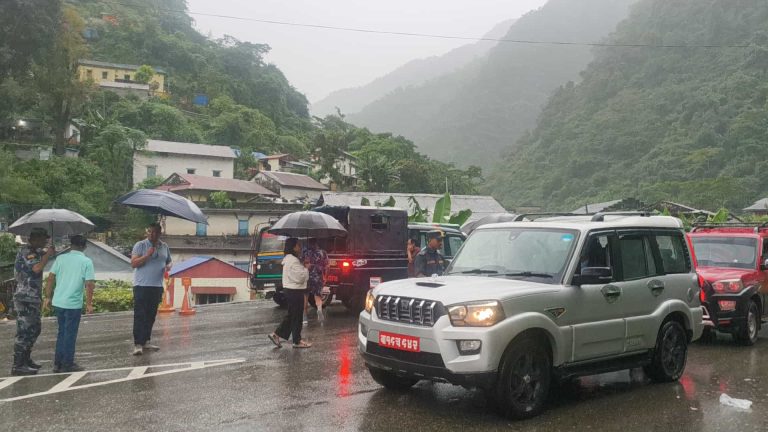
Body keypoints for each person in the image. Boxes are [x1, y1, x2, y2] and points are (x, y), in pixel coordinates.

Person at [43, 235, 95, 373]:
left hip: (58, 302)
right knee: (70, 334)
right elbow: (89, 284)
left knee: (62, 332)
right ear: (84, 247)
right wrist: (89, 304)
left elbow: (50, 278)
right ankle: (67, 363)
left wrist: (47, 297)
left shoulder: (60, 259)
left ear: (71, 245)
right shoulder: (86, 261)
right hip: (73, 304)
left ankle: (58, 363)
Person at [11, 227, 55, 376]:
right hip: (25, 298)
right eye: (43, 239)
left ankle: (26, 359)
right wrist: (47, 255)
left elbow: (45, 257)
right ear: (35, 238)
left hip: (33, 297)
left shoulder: (36, 252)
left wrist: (50, 253)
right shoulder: (27, 252)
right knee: (25, 331)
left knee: (34, 329)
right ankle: (18, 365)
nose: (45, 242)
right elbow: (36, 268)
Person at [130, 222, 172, 356]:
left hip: (157, 286)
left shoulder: (164, 246)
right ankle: (138, 344)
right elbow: (133, 263)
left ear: (160, 233)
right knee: (140, 315)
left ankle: (146, 341)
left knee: (151, 315)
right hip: (141, 285)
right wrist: (147, 255)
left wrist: (169, 266)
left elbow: (169, 261)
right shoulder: (140, 245)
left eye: (155, 232)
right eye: (150, 232)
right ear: (148, 232)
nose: (153, 234)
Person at [268, 238, 312, 349]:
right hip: (295, 291)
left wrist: (302, 266)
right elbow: (300, 278)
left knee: (292, 315)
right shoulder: (293, 260)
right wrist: (306, 269)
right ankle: (296, 341)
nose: (300, 247)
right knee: (297, 317)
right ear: (293, 247)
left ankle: (276, 335)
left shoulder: (289, 259)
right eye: (298, 245)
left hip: (290, 290)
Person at [301, 238, 328, 323]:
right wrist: (325, 277)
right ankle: (319, 310)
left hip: (307, 276)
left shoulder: (305, 252)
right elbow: (327, 266)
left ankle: (304, 316)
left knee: (305, 296)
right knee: (317, 295)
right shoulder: (323, 252)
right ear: (317, 243)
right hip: (318, 277)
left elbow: (301, 264)